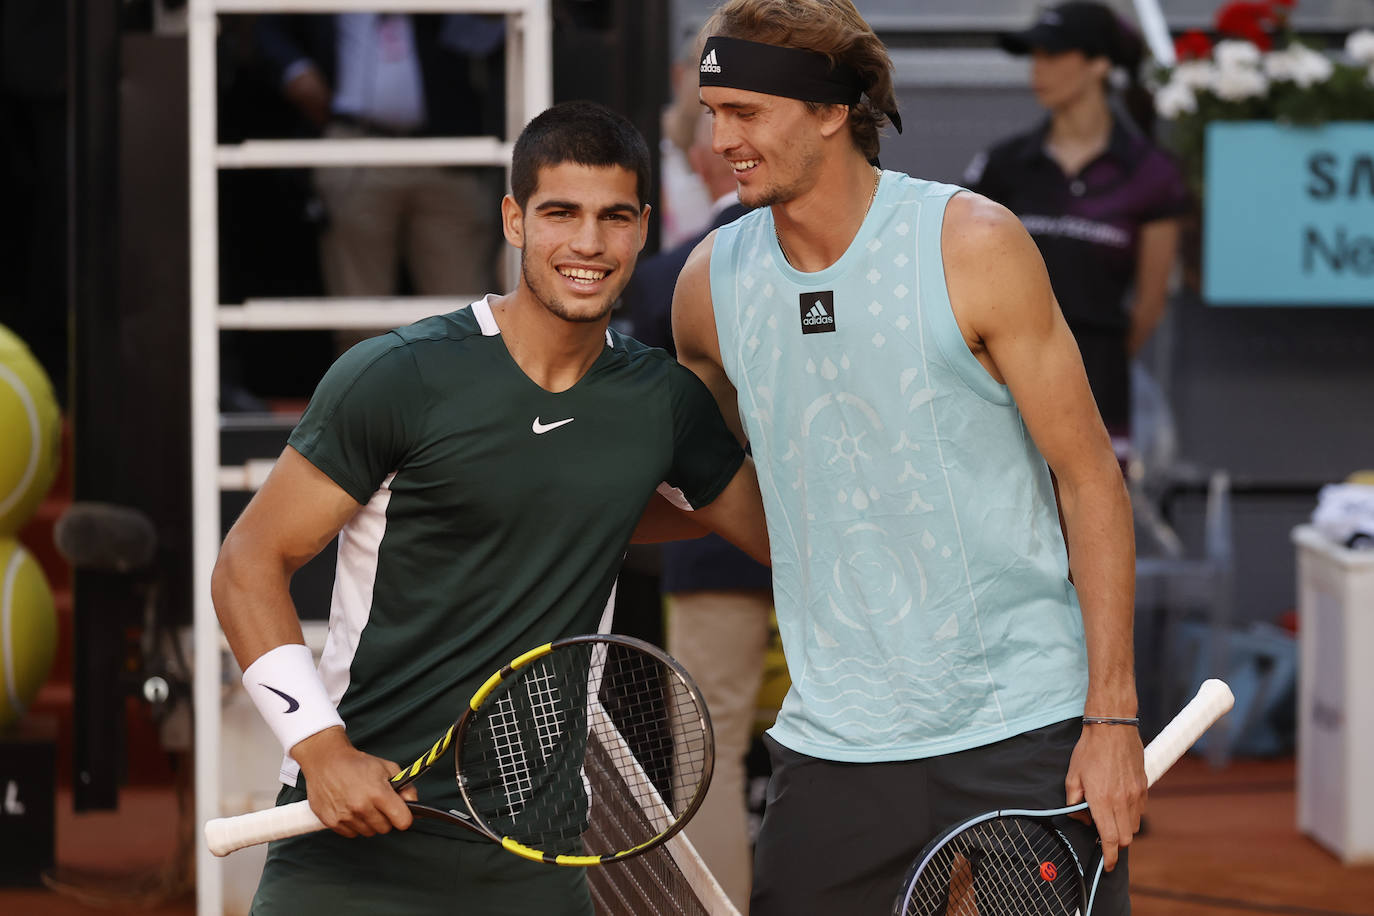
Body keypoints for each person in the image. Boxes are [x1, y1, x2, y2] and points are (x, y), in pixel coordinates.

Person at [211, 100, 770, 916]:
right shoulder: (399, 377)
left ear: (643, 226)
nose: (588, 244)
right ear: (514, 219)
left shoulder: (661, 404)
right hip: (348, 854)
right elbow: (246, 567)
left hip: (535, 863)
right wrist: (321, 749)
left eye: (614, 217)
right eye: (560, 214)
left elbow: (768, 528)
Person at [673, 2, 1144, 913]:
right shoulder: (709, 287)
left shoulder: (973, 244)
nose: (719, 136)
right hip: (834, 741)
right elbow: (705, 482)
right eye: (712, 109)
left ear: (829, 110)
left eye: (744, 111)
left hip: (1020, 723)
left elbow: (1090, 481)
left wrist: (1112, 717)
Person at [619, 108, 769, 911]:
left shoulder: (666, 276)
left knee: (710, 754)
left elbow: (650, 439)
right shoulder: (854, 261)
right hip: (848, 545)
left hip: (712, 546)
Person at [965, 1, 1191, 462]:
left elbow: (1149, 305)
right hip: (1004, 393)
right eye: (1034, 56)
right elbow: (964, 276)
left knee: (1095, 525)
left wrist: (1083, 365)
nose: (1038, 69)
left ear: (1099, 65)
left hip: (1101, 386)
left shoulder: (1152, 174)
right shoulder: (1003, 166)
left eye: (1053, 54)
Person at [253, 13, 505, 304]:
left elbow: (490, 26)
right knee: (359, 310)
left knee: (463, 312)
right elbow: (268, 25)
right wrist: (295, 70)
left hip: (449, 149)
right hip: (353, 147)